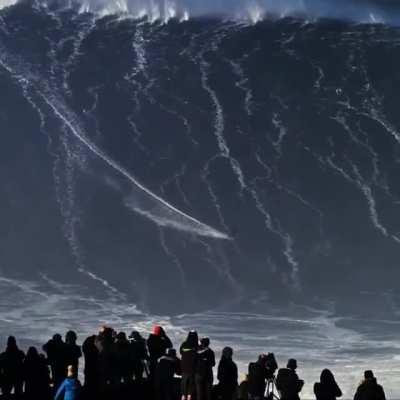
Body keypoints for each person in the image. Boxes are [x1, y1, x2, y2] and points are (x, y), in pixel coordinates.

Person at [180, 330, 199, 400]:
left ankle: (183, 396)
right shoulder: (197, 346)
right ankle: (189, 396)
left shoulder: (184, 344)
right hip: (193, 367)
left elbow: (181, 351)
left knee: (184, 382)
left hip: (184, 366)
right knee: (191, 383)